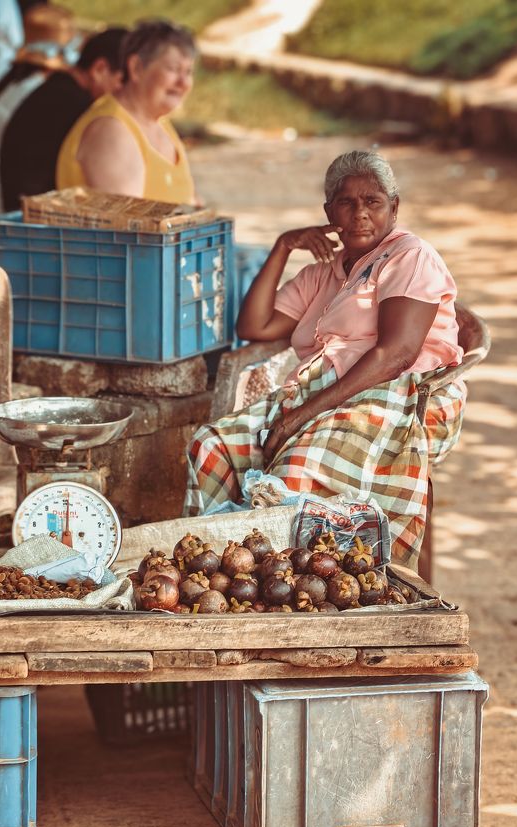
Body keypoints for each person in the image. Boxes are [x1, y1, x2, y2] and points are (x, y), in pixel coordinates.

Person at [185, 150, 466, 565]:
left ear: (394, 208)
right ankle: (219, 568)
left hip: (398, 394)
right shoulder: (324, 273)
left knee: (291, 477)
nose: (360, 214)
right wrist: (284, 245)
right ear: (328, 211)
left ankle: (289, 592)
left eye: (373, 202)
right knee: (210, 445)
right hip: (321, 394)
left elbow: (397, 354)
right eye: (346, 203)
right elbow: (254, 327)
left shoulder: (409, 256)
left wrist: (299, 417)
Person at [0, 23, 126, 215]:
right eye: (124, 81)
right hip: (27, 218)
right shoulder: (74, 104)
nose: (125, 93)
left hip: (13, 203)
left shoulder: (59, 89)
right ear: (99, 69)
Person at [57, 19, 196, 204]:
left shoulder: (159, 122)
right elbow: (127, 226)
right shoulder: (111, 130)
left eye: (188, 72)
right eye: (173, 69)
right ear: (136, 68)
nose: (183, 83)